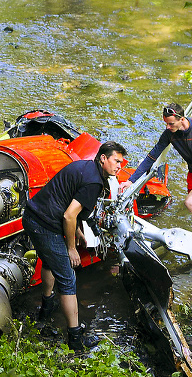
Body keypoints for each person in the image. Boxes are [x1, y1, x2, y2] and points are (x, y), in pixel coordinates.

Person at [22, 141, 127, 351]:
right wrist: (71, 248)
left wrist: (78, 230)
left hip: (32, 215)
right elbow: (69, 215)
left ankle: (46, 307)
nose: (119, 167)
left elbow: (68, 200)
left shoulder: (86, 167)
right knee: (68, 278)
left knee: (50, 263)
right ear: (103, 158)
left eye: (122, 163)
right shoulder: (94, 183)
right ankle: (75, 339)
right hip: (45, 224)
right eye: (116, 161)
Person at [120, 102, 192, 253]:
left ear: (182, 119)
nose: (167, 127)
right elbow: (151, 157)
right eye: (166, 124)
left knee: (190, 202)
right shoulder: (169, 134)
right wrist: (130, 181)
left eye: (171, 123)